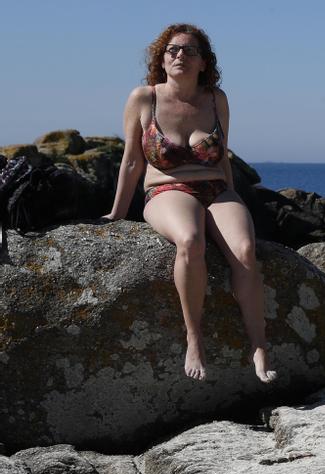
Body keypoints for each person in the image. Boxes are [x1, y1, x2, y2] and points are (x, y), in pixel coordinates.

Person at [102, 23, 275, 383]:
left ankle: (258, 346)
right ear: (161, 60)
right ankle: (193, 337)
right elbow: (132, 161)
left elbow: (222, 156)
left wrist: (232, 196)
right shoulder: (143, 98)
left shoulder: (216, 99)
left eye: (189, 50)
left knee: (244, 250)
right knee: (191, 242)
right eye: (172, 50)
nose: (179, 55)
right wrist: (117, 214)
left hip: (216, 190)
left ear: (203, 62)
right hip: (166, 191)